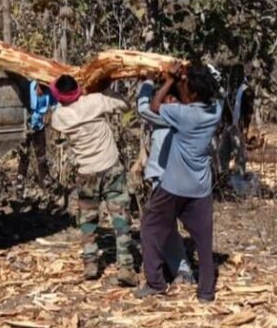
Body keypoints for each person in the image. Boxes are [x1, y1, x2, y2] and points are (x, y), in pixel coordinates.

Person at [136, 64, 222, 302]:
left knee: (150, 227)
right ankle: (206, 292)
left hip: (173, 185)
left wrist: (167, 81)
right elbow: (202, 95)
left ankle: (155, 283)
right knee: (204, 242)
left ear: (192, 94)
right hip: (200, 187)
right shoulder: (215, 110)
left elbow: (154, 106)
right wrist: (182, 79)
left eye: (185, 86)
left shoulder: (182, 114)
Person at [49, 74, 139, 286]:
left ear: (60, 96)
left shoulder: (59, 116)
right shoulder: (95, 101)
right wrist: (105, 90)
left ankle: (90, 263)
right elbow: (125, 106)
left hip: (86, 173)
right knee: (120, 218)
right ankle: (126, 266)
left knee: (87, 221)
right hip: (111, 168)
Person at [137, 79, 195, 285]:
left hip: (168, 180)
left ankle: (178, 270)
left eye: (170, 98)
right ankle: (179, 268)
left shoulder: (170, 118)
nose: (165, 102)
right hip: (172, 178)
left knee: (160, 225)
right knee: (167, 225)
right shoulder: (184, 116)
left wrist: (146, 82)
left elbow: (143, 108)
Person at [17, 80, 56, 196]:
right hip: (26, 126)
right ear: (36, 86)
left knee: (42, 156)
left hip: (39, 126)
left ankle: (45, 182)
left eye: (43, 90)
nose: (41, 92)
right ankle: (20, 183)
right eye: (40, 89)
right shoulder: (27, 87)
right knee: (24, 155)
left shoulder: (48, 92)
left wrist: (53, 116)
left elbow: (55, 105)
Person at [218, 65, 255, 178]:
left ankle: (240, 177)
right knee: (223, 152)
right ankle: (223, 177)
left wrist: (245, 128)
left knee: (239, 154)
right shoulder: (229, 89)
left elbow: (248, 112)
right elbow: (225, 106)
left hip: (238, 126)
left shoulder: (247, 90)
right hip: (227, 125)